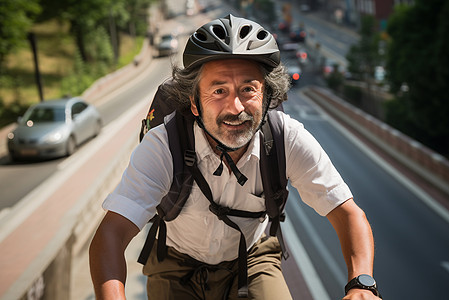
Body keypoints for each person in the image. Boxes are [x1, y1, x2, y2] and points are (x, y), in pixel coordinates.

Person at [89, 15, 381, 300]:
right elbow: (111, 234)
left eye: (248, 89)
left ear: (266, 96)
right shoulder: (165, 144)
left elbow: (348, 213)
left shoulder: (284, 138)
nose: (236, 106)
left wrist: (362, 285)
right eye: (219, 90)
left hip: (252, 260)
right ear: (193, 102)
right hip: (175, 266)